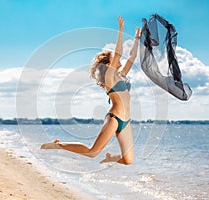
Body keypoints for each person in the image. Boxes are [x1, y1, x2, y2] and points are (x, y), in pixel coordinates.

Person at [41, 16, 141, 165]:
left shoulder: (121, 76)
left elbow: (132, 57)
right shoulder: (109, 77)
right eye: (113, 59)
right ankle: (58, 144)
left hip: (126, 121)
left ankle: (109, 158)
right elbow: (119, 53)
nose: (118, 59)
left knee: (128, 160)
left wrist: (137, 38)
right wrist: (121, 29)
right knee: (92, 152)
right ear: (108, 65)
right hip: (114, 119)